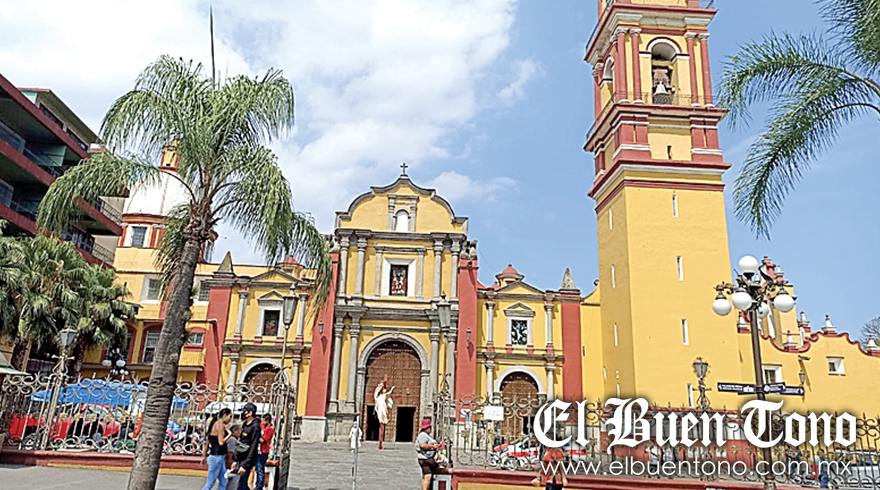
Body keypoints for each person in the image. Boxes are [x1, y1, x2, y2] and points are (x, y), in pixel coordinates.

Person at [201, 407, 233, 490]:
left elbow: (207, 441)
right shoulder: (220, 425)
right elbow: (221, 442)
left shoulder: (214, 424)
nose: (230, 419)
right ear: (225, 415)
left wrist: (204, 455)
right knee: (210, 482)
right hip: (217, 456)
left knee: (224, 480)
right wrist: (229, 434)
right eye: (230, 416)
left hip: (218, 456)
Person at [234, 403, 262, 490]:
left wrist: (245, 464)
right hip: (241, 456)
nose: (243, 414)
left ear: (250, 413)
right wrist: (236, 459)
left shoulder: (255, 427)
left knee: (241, 484)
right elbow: (241, 442)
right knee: (241, 484)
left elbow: (253, 446)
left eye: (245, 412)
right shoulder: (245, 424)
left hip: (247, 459)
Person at [415, 419, 441, 490]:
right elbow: (422, 445)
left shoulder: (427, 435)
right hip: (425, 458)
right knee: (427, 476)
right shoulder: (423, 435)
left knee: (427, 476)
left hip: (428, 458)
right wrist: (433, 446)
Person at [255, 414, 274, 490]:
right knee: (257, 468)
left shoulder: (270, 429)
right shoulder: (264, 427)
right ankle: (258, 484)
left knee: (260, 469)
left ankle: (259, 486)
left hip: (264, 451)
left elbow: (264, 439)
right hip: (259, 450)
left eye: (264, 420)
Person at [225, 424, 243, 490]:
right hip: (232, 465)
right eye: (239, 430)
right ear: (235, 431)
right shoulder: (232, 440)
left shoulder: (234, 440)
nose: (240, 432)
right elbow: (230, 453)